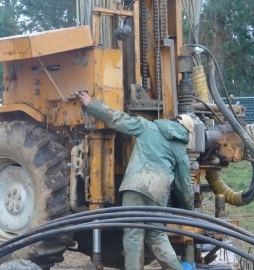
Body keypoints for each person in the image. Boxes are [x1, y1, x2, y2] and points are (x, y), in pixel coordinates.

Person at [78, 92, 194, 270]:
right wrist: (189, 212)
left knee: (133, 233)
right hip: (157, 193)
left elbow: (118, 119)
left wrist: (91, 104)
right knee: (156, 234)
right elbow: (184, 187)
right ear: (187, 133)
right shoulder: (180, 151)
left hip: (133, 187)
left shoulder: (148, 127)